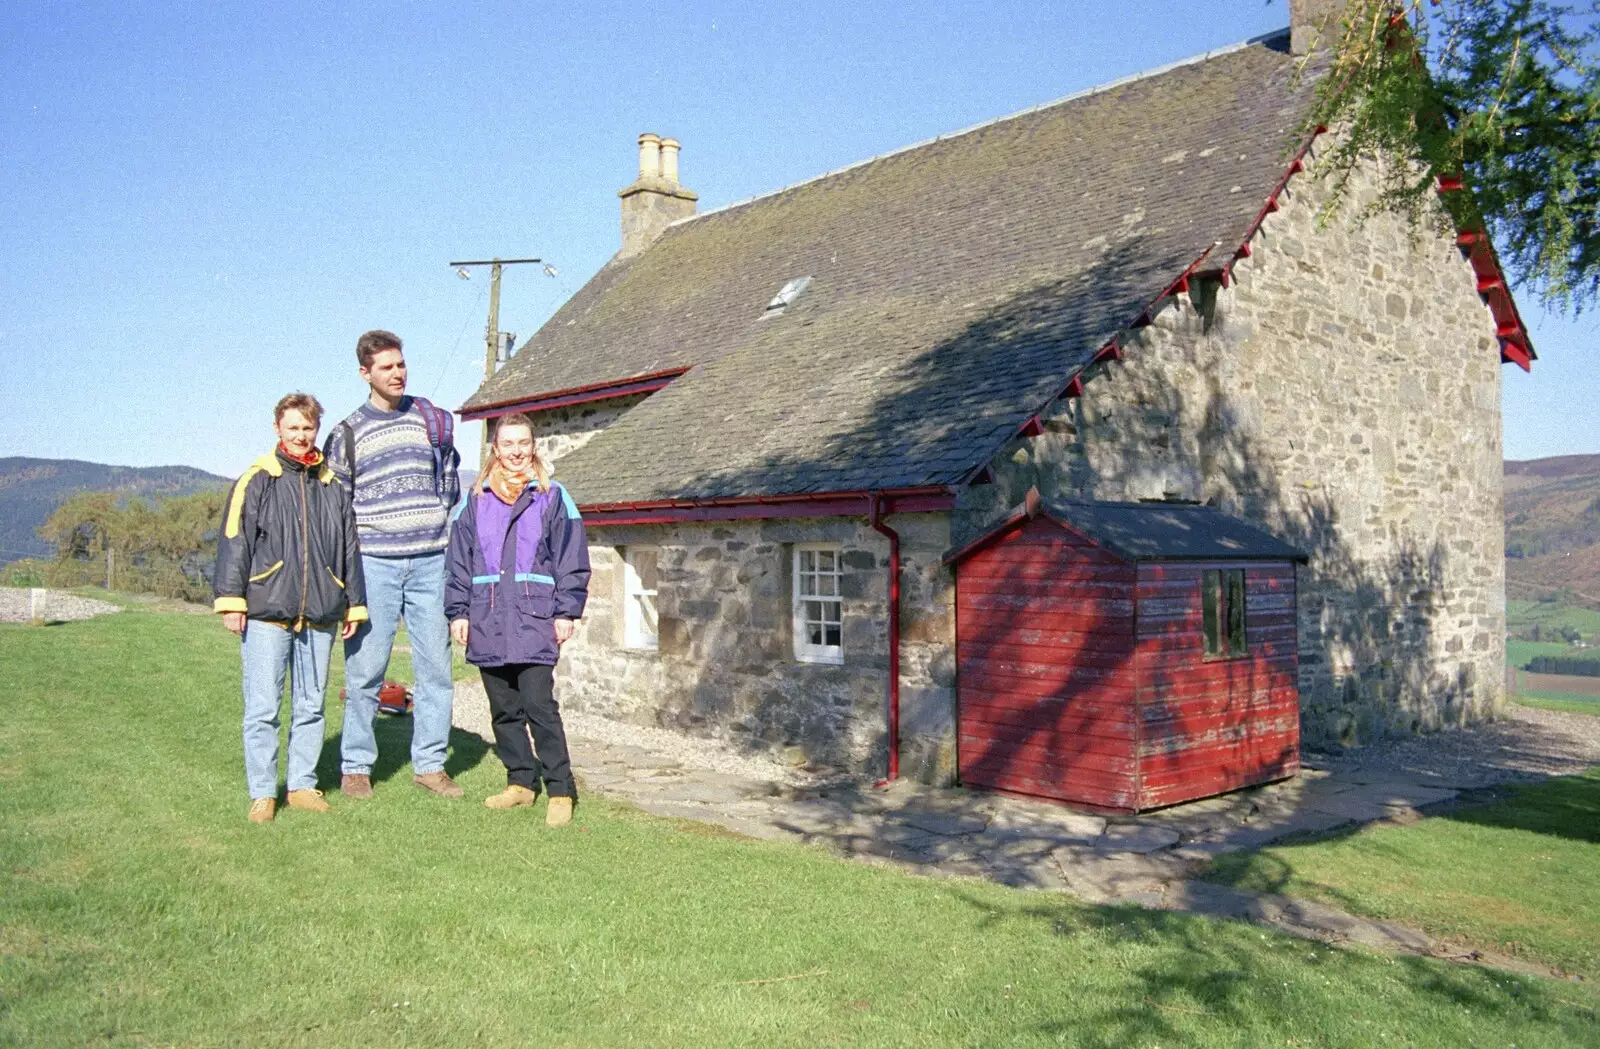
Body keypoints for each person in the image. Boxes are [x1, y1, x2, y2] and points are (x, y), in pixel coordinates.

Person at [323, 330, 463, 800]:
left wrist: (432, 522)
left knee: (436, 670)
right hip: (375, 564)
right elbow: (336, 509)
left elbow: (449, 482)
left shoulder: (429, 420)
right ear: (365, 373)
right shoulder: (345, 433)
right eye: (386, 367)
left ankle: (430, 765)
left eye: (401, 364)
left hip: (429, 561)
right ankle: (356, 767)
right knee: (366, 669)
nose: (398, 373)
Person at [214, 393, 367, 824]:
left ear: (317, 430)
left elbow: (349, 548)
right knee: (263, 709)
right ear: (278, 428)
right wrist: (232, 600)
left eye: (308, 428)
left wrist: (353, 605)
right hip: (266, 611)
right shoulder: (258, 479)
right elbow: (234, 541)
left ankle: (302, 785)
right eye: (293, 427)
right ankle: (263, 793)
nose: (301, 436)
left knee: (312, 705)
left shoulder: (332, 485)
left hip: (320, 610)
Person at [445, 413, 590, 826]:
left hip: (534, 618)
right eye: (507, 444)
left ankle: (560, 789)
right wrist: (458, 612)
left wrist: (567, 611)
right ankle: (520, 783)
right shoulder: (473, 501)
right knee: (504, 709)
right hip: (487, 617)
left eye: (522, 442)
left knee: (540, 706)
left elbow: (571, 559)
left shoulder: (553, 495)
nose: (515, 451)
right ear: (495, 448)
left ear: (533, 445)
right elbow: (457, 562)